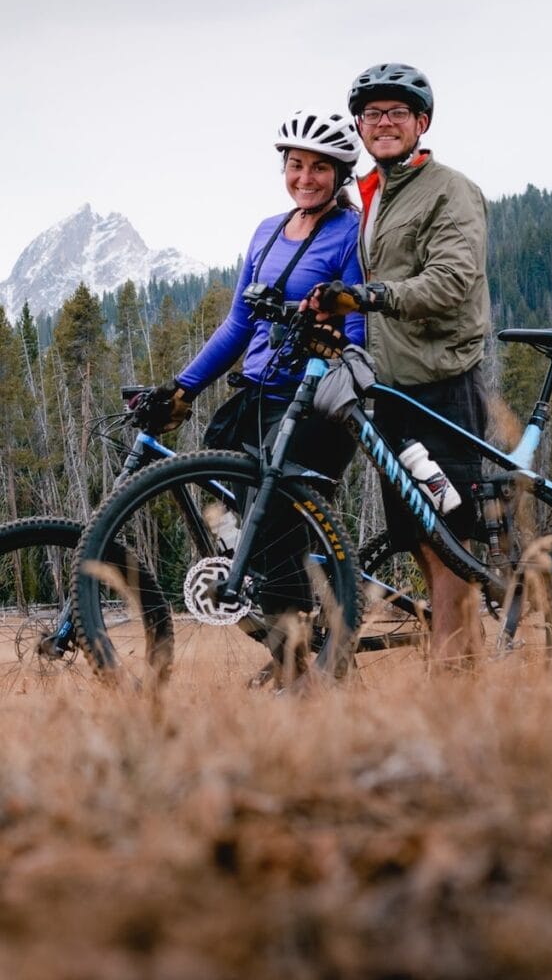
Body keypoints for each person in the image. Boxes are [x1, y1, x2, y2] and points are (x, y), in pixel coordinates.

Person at [146, 108, 364, 673]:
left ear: (340, 174)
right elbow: (238, 325)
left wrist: (324, 336)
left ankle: (311, 670)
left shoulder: (351, 234)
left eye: (320, 167)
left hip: (311, 404)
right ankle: (291, 647)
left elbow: (357, 327)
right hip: (254, 397)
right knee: (222, 516)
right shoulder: (266, 231)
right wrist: (183, 388)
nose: (306, 177)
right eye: (296, 165)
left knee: (273, 532)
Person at [306, 63, 491, 667]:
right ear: (360, 126)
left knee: (450, 543)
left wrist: (369, 296)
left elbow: (453, 280)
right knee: (420, 539)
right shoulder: (374, 196)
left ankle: (453, 684)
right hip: (393, 391)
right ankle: (461, 667)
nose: (384, 124)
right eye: (373, 115)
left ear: (421, 123)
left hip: (441, 386)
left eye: (397, 114)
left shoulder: (448, 189)